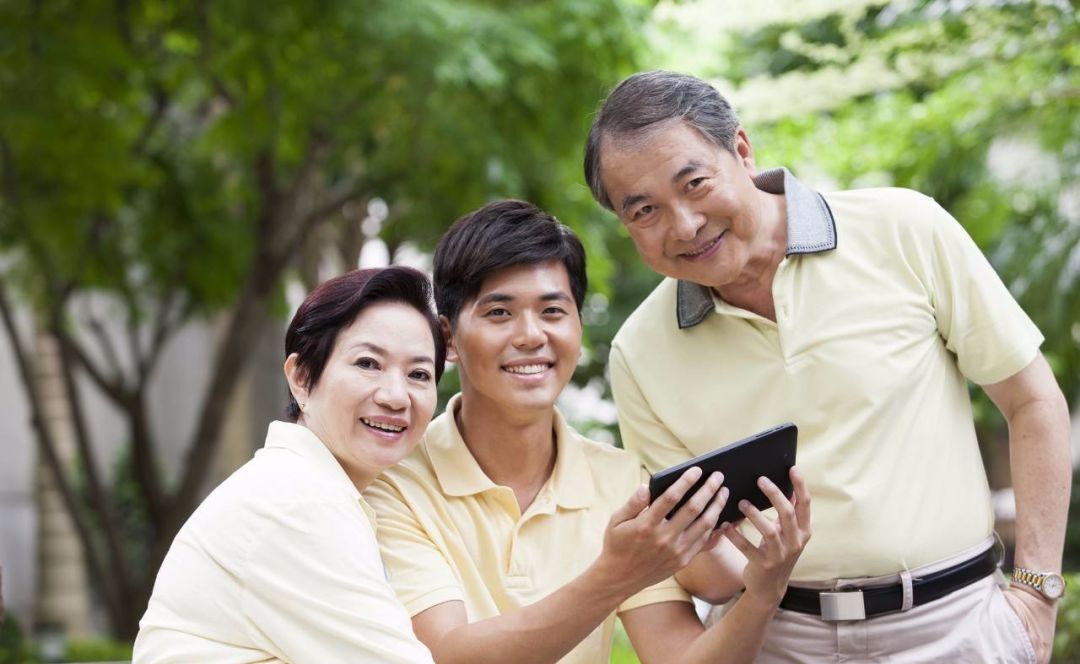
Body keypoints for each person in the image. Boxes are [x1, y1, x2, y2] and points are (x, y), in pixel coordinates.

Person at [583, 70, 1072, 662]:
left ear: (740, 149)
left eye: (694, 183)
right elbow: (712, 576)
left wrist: (1038, 593)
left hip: (957, 628)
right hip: (776, 639)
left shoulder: (903, 230)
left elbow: (1032, 400)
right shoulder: (639, 353)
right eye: (644, 212)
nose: (683, 225)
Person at [364, 199, 811, 664]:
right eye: (499, 313)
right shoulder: (394, 484)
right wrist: (613, 575)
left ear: (579, 327)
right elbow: (448, 655)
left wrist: (764, 591)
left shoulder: (620, 482)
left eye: (553, 311)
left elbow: (679, 656)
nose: (531, 335)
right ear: (448, 339)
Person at [134, 267, 446, 663]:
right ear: (301, 378)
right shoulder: (299, 505)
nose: (395, 395)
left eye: (418, 374)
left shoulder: (311, 489)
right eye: (368, 364)